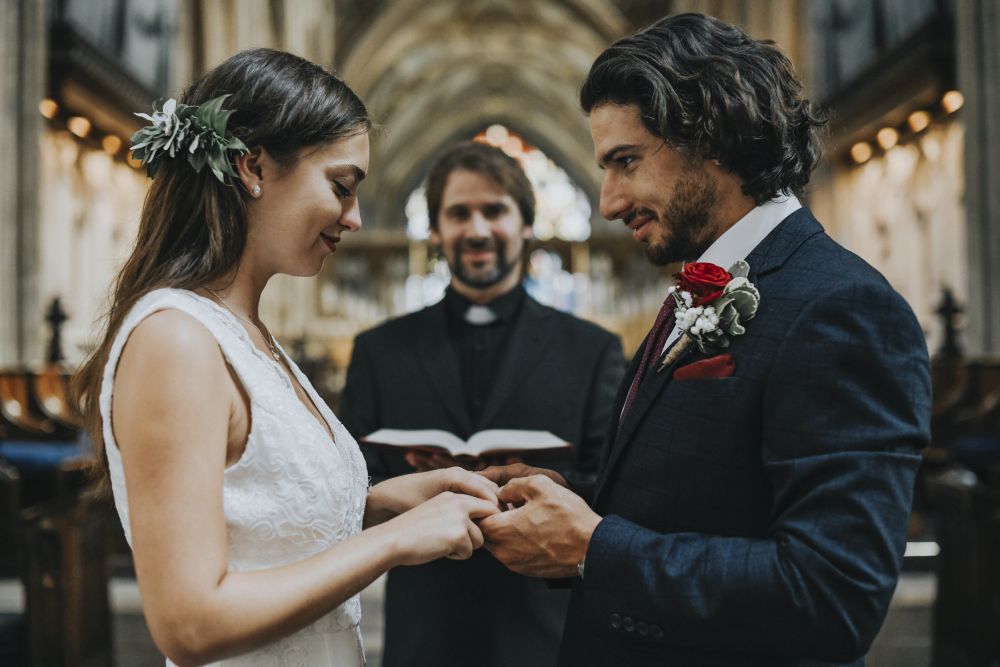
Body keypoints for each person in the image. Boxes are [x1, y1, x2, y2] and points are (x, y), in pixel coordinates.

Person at [479, 13, 931, 667]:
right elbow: (703, 488)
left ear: (713, 135)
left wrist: (593, 546)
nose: (608, 201)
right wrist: (569, 499)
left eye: (626, 162)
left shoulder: (843, 309)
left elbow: (834, 593)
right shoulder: (702, 286)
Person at [74, 49, 501, 667]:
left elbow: (259, 518)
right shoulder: (177, 339)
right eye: (341, 186)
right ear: (253, 168)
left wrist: (381, 504)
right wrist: (392, 543)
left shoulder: (246, 331)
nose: (353, 218)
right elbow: (189, 624)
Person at [339, 141, 624, 667]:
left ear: (526, 226)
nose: (477, 229)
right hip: (425, 631)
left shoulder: (592, 350)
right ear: (435, 231)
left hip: (545, 632)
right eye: (458, 213)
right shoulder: (381, 351)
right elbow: (345, 488)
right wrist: (404, 488)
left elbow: (612, 486)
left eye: (494, 210)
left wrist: (547, 491)